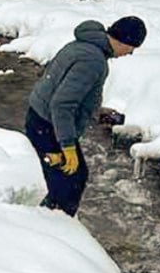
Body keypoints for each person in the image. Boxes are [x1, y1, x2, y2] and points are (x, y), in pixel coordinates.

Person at [25, 16, 145, 216]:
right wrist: (67, 146)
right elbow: (62, 104)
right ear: (124, 41)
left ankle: (49, 222)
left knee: (69, 182)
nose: (130, 53)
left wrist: (95, 113)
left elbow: (60, 89)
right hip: (48, 126)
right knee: (69, 185)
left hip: (41, 119)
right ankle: (51, 230)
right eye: (132, 47)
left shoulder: (83, 45)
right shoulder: (93, 60)